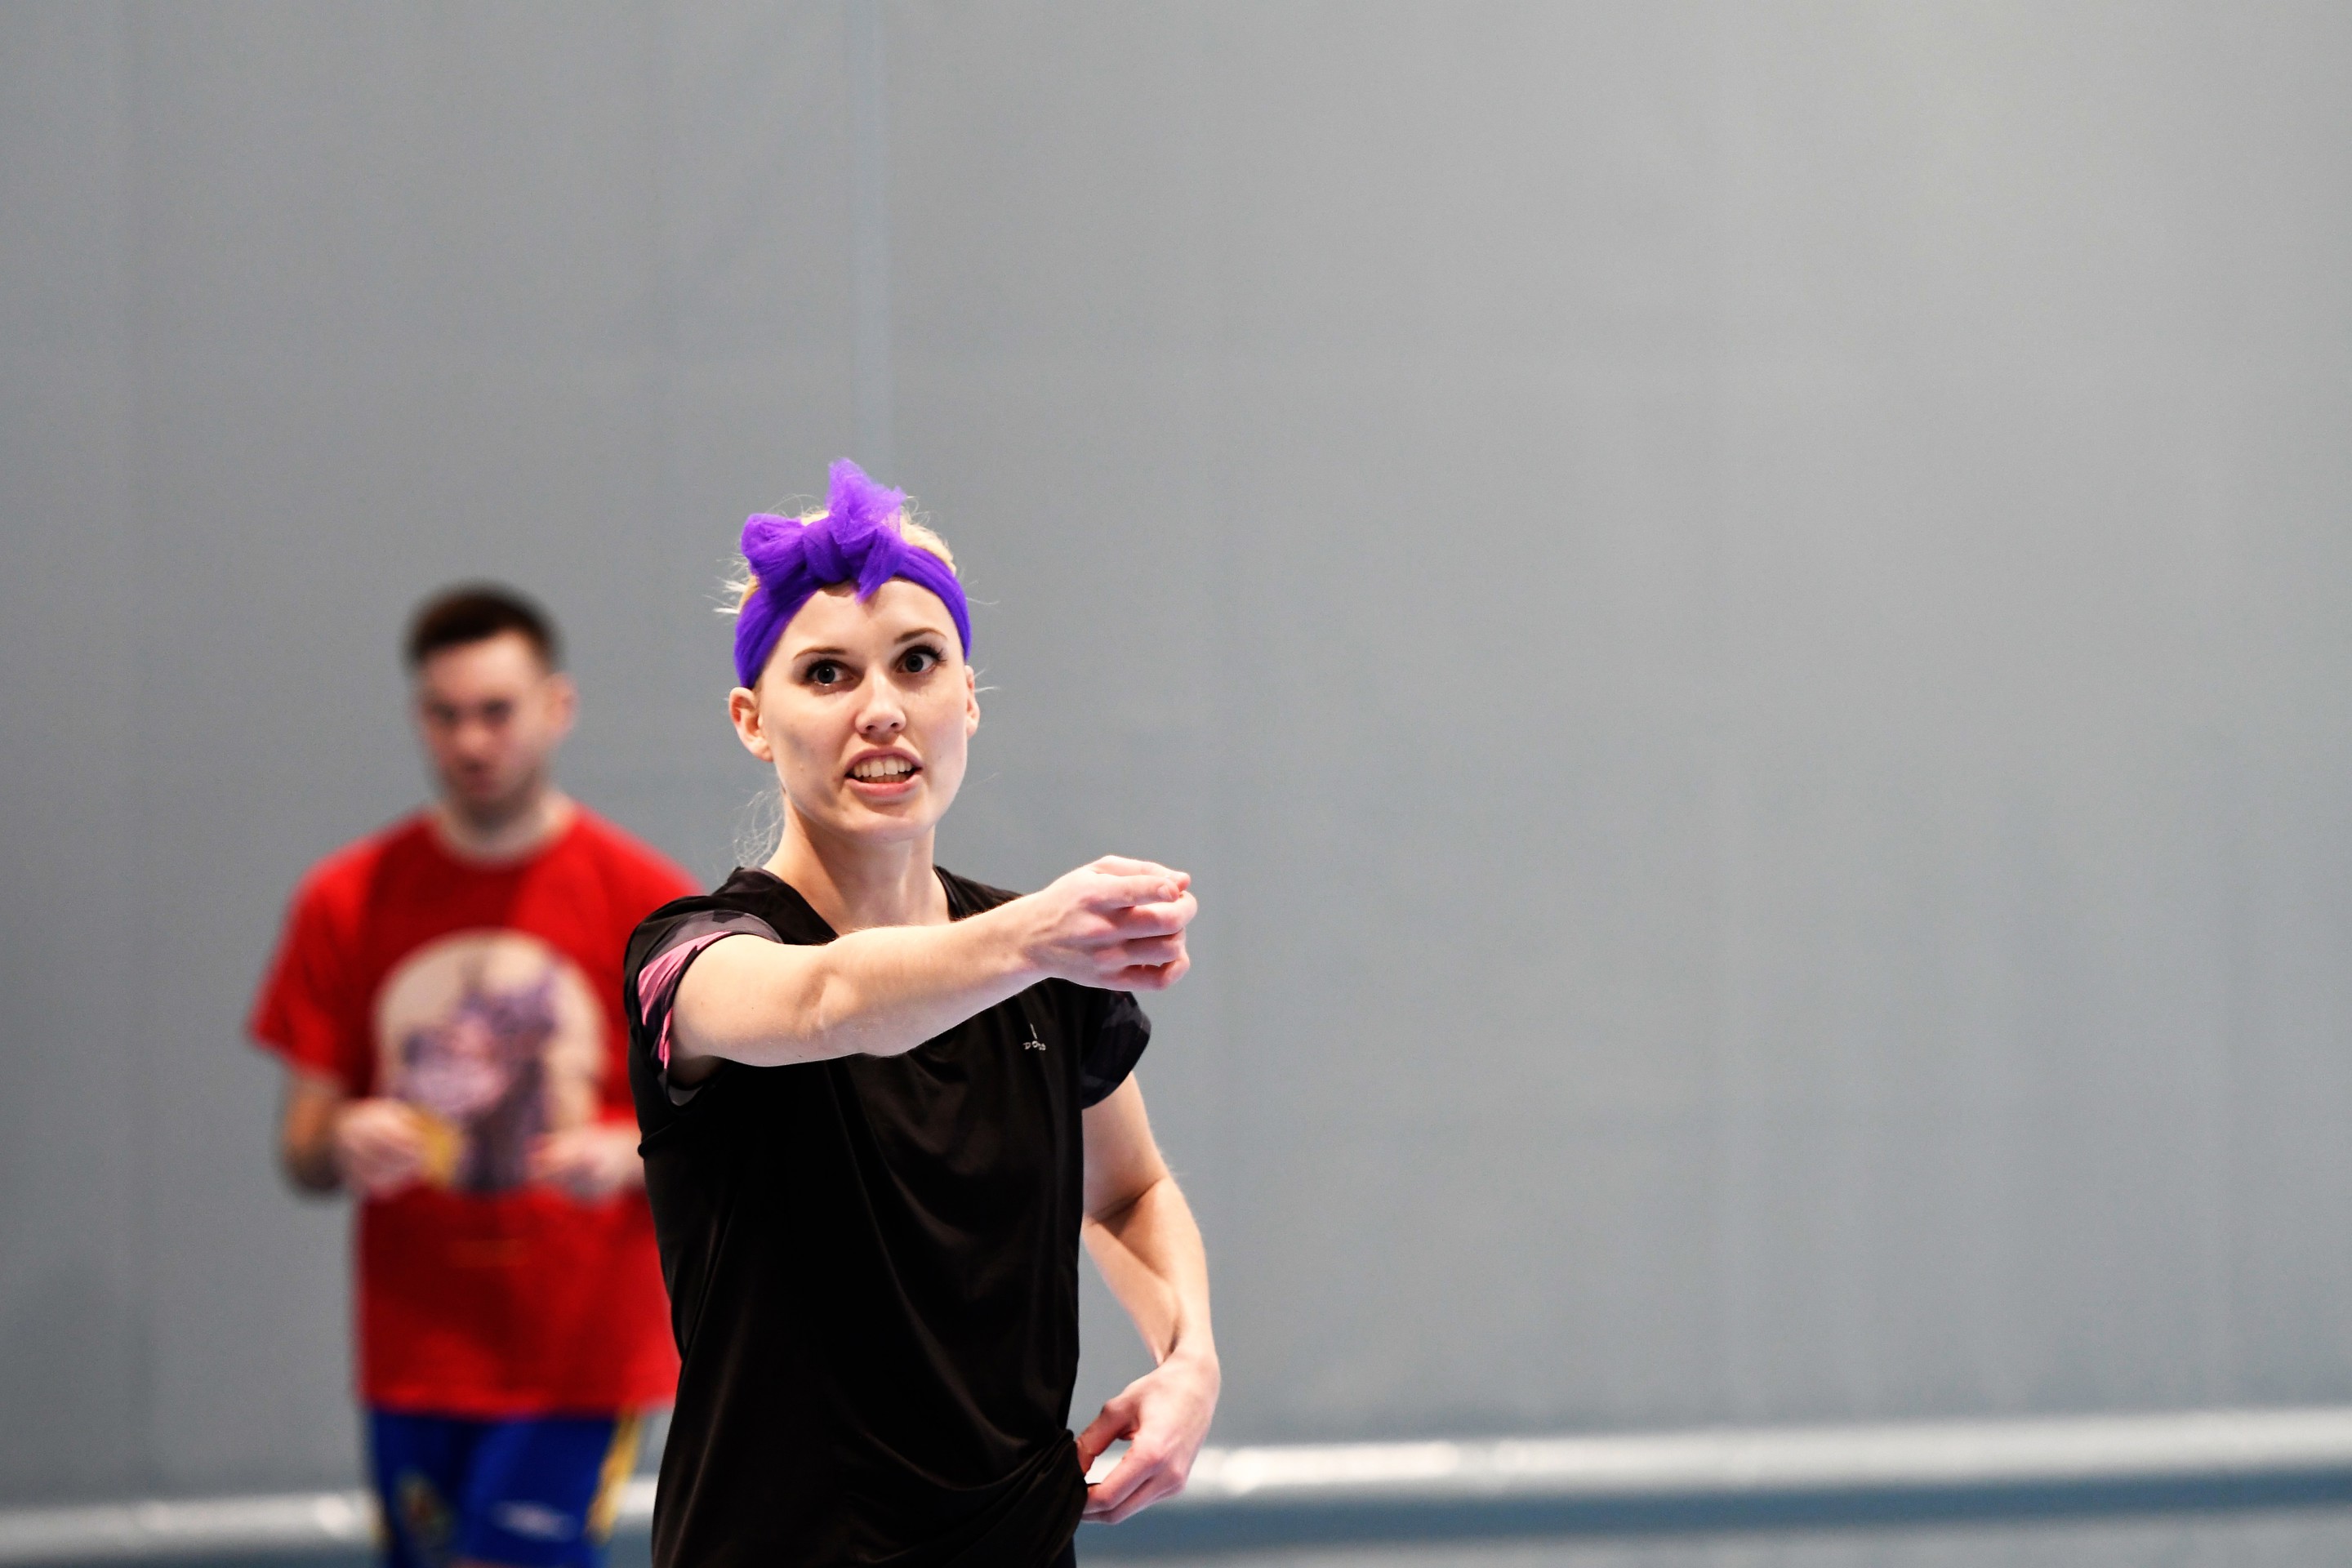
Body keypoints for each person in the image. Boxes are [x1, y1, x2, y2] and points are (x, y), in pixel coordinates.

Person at [622, 461, 1218, 1568]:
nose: (882, 708)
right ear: (754, 721)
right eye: (827, 674)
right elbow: (828, 1001)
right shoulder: (689, 958)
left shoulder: (1043, 964)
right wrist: (1038, 939)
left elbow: (1130, 1191)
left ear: (969, 700)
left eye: (917, 662)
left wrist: (1190, 1360)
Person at [250, 586, 697, 1568]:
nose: (472, 742)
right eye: (446, 715)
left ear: (556, 708)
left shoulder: (648, 905)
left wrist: (630, 1153)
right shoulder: (346, 901)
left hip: (578, 1351)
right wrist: (342, 1139)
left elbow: (734, 1134)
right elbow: (302, 1151)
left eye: (496, 711)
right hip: (414, 1349)